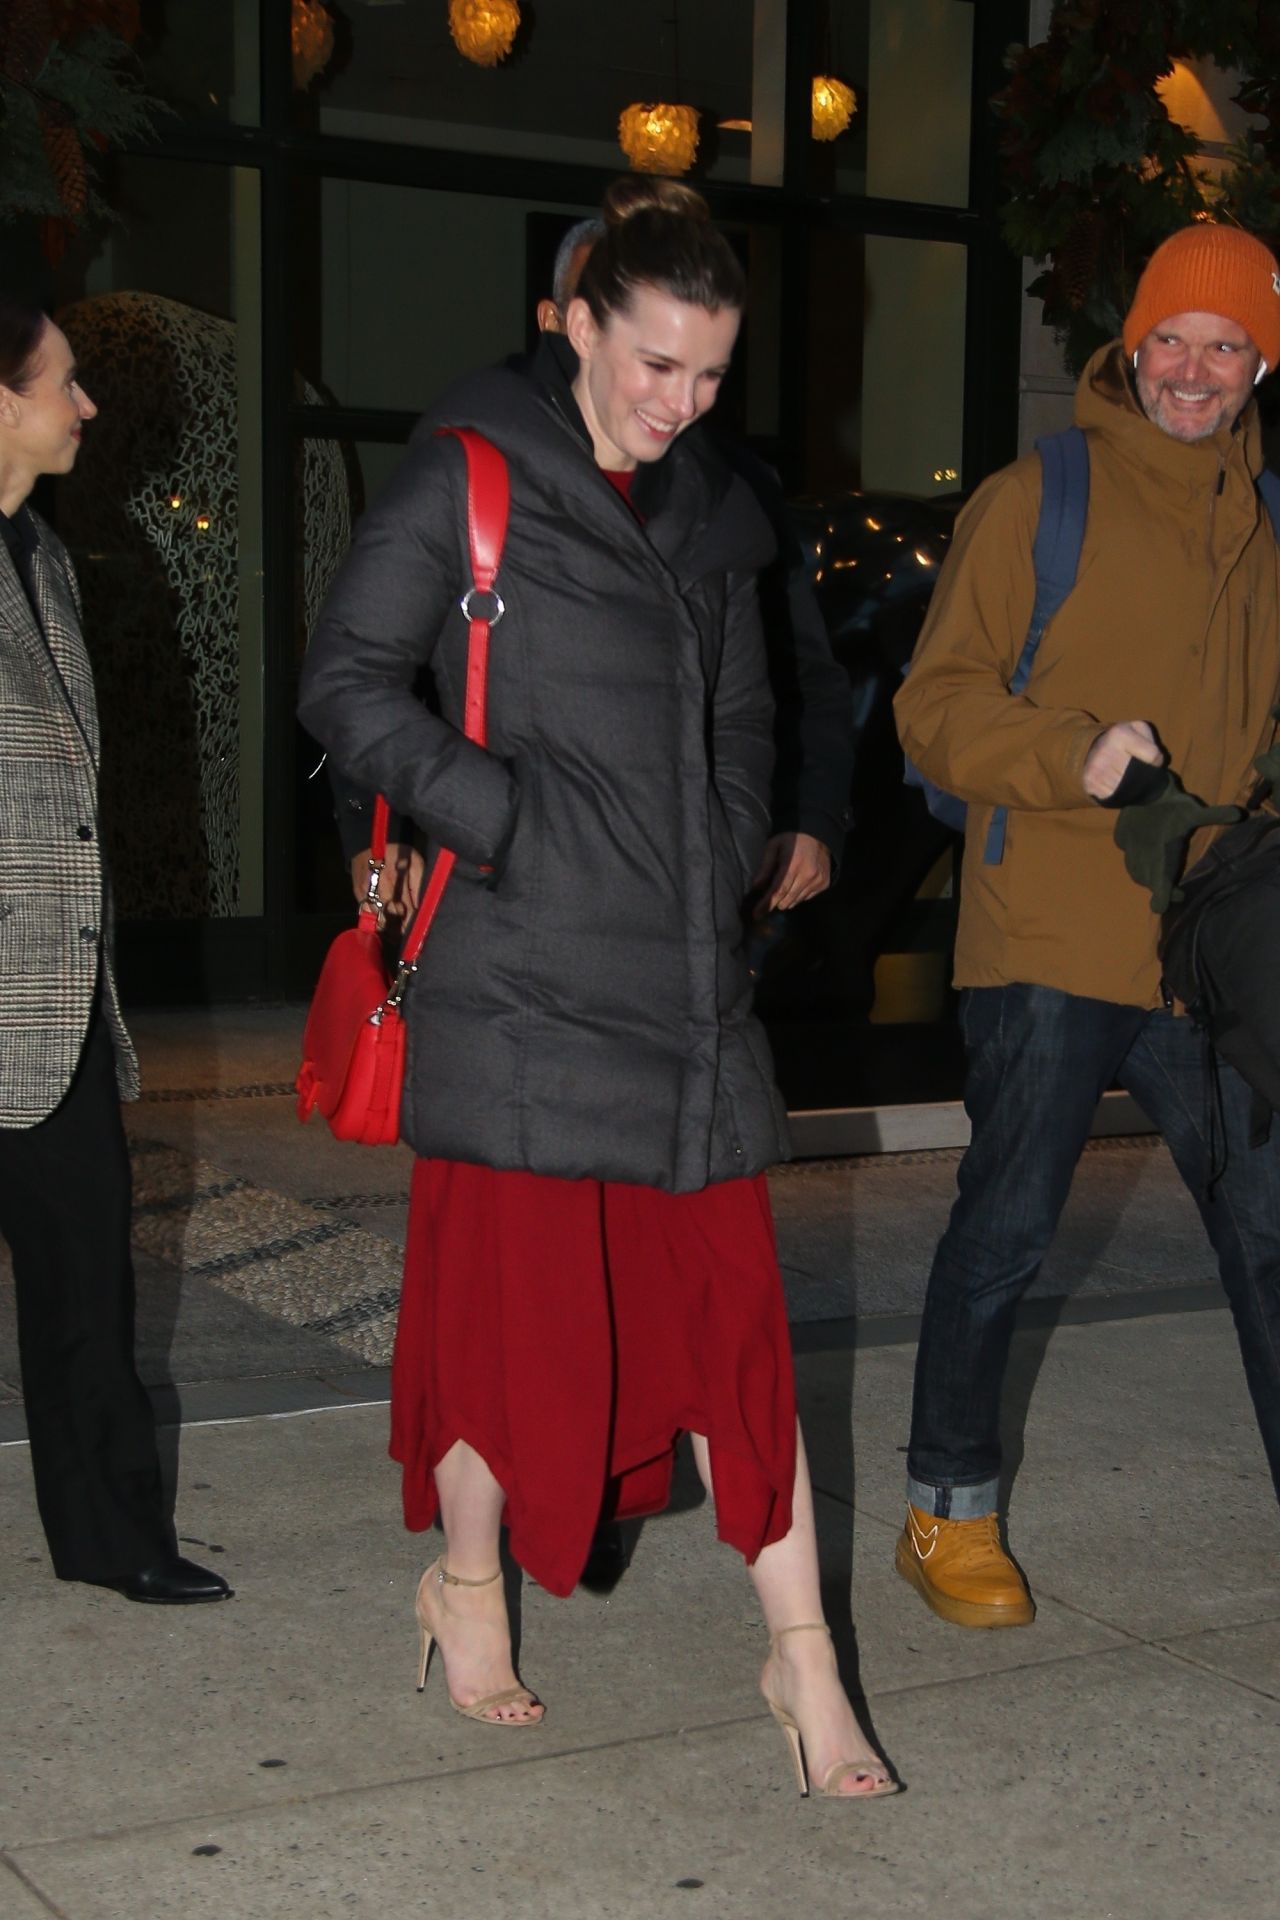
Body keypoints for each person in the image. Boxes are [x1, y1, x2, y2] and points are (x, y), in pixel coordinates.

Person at [300, 177, 896, 1797]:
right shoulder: (471, 479)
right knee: (517, 1330)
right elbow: (348, 682)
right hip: (520, 984)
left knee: (736, 1339)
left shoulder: (715, 512)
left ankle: (803, 1667)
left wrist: (719, 851)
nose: (677, 404)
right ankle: (469, 1587)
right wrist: (510, 823)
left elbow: (747, 721)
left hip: (686, 994)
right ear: (575, 323)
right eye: (652, 365)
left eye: (708, 374)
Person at [893, 222, 1280, 1628]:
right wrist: (1073, 754)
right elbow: (933, 704)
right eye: (1169, 340)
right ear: (1132, 345)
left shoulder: (1268, 514)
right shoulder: (1040, 492)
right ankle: (948, 1513)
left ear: (1258, 366)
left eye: (1222, 346)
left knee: (1270, 1227)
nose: (1190, 370)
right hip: (1052, 928)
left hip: (1209, 950)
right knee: (1005, 1228)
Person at [0, 296, 231, 1605]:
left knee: (92, 1291)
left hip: (55, 1004)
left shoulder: (42, 557)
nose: (84, 406)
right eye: (63, 381)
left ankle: (115, 1539)